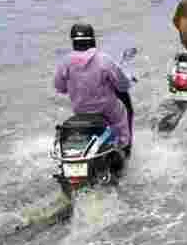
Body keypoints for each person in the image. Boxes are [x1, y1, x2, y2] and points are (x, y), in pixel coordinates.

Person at [53, 23, 133, 158]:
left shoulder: (65, 62)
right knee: (122, 114)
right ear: (92, 40)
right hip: (106, 110)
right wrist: (128, 80)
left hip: (80, 110)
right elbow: (122, 85)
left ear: (73, 42)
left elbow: (59, 87)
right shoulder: (104, 60)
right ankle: (124, 147)